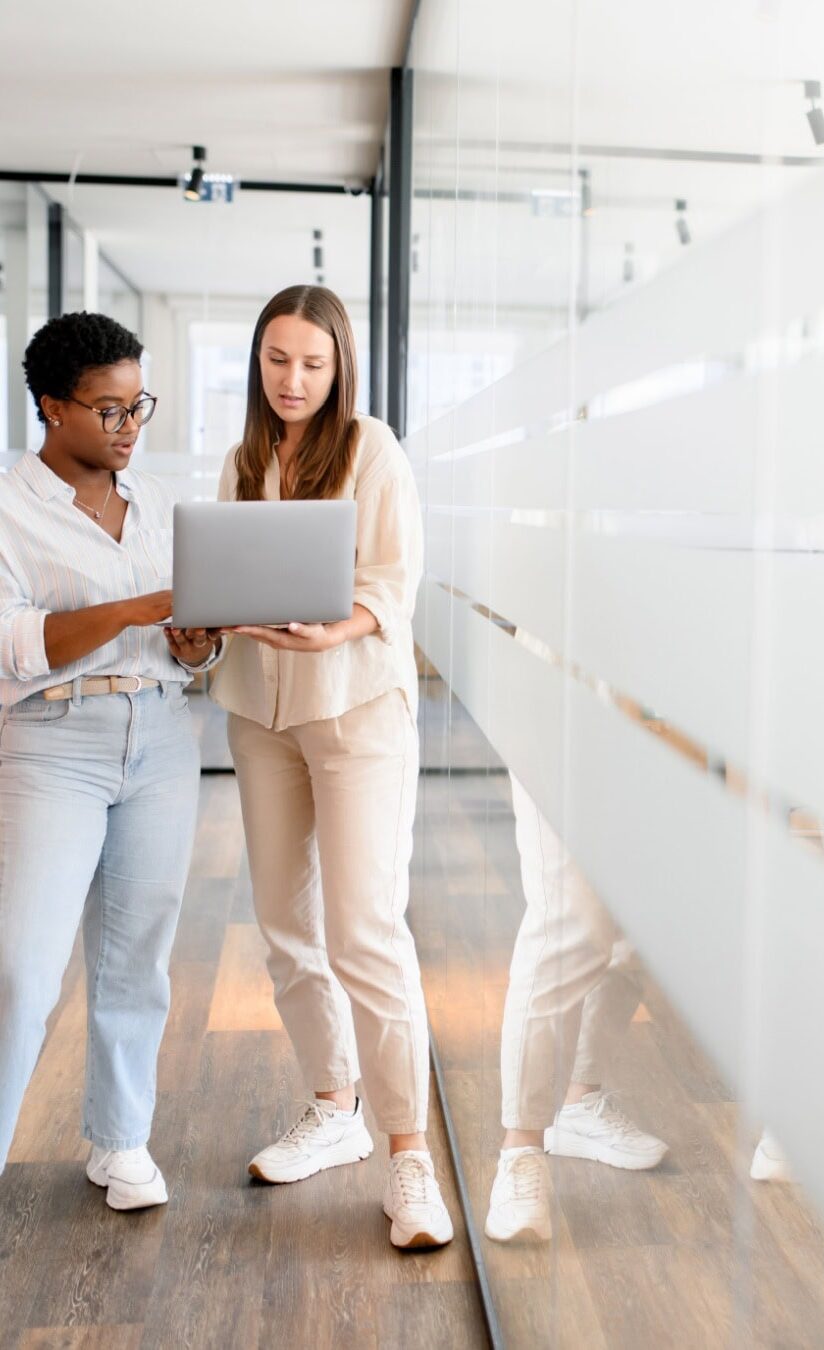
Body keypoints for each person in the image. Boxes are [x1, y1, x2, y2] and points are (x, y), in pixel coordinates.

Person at [204, 284, 452, 1249]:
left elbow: (393, 580)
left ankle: (409, 1158)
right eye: (277, 360)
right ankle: (333, 1110)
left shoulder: (371, 449)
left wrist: (334, 628)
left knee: (363, 932)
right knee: (284, 928)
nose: (294, 379)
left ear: (339, 363)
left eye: (312, 362)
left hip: (354, 709)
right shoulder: (243, 458)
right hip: (259, 714)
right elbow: (228, 573)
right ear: (258, 361)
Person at [0, 311, 214, 1210]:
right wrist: (133, 610)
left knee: (137, 957)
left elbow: (189, 651)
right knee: (22, 965)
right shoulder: (10, 506)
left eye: (138, 407)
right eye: (109, 410)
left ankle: (121, 1142)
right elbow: (12, 642)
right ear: (53, 407)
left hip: (162, 737)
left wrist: (197, 639)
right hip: (54, 742)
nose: (129, 428)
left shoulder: (161, 505)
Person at [485, 774, 667, 1243]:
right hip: (561, 727)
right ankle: (520, 1151)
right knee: (566, 926)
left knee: (634, 928)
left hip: (646, 733)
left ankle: (580, 1103)